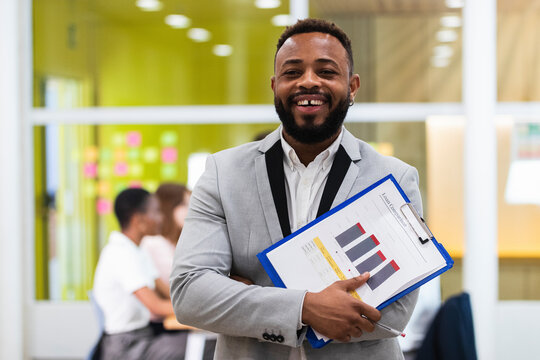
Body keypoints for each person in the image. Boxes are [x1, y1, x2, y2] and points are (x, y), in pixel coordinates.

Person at [170, 18, 422, 359]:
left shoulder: (393, 179)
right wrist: (306, 306)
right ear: (275, 85)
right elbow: (191, 295)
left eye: (326, 71)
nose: (308, 82)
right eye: (292, 72)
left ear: (352, 86)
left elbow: (393, 313)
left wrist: (246, 295)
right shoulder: (222, 173)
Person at [93, 188, 187, 360]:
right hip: (126, 346)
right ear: (139, 220)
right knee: (201, 346)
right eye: (156, 212)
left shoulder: (137, 250)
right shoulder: (121, 254)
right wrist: (201, 310)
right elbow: (156, 307)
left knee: (198, 343)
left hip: (142, 337)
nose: (161, 218)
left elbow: (168, 292)